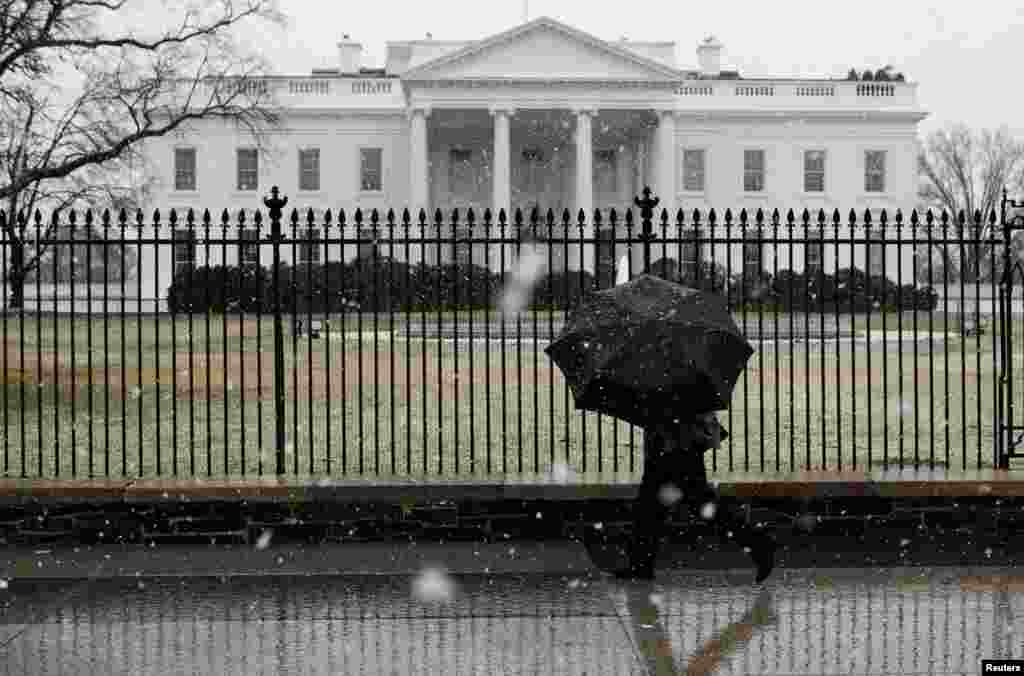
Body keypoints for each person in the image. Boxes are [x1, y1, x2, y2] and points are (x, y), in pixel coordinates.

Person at [613, 411, 777, 582]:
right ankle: (641, 565)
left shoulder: (676, 394)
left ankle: (758, 544)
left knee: (665, 506)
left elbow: (688, 416)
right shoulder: (669, 394)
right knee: (652, 507)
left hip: (677, 451)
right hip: (669, 449)